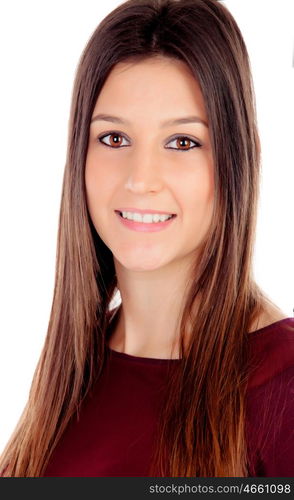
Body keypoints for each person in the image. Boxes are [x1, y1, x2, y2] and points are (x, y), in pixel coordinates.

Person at [0, 0, 293, 478]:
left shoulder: (282, 384)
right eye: (114, 138)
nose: (141, 179)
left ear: (239, 160)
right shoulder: (73, 369)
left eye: (183, 142)